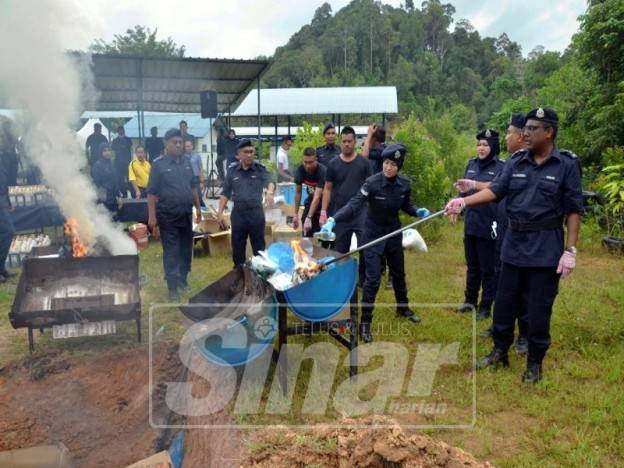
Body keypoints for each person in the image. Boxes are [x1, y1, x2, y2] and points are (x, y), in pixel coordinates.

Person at [445, 107, 583, 383]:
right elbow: (495, 190)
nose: (526, 133)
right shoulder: (517, 161)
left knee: (538, 309)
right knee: (505, 302)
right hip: (513, 245)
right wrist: (464, 202)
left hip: (545, 248)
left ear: (549, 132)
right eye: (525, 129)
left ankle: (534, 363)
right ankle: (499, 351)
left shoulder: (566, 165)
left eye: (533, 129)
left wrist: (570, 250)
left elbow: (573, 211)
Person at [320, 144, 431, 342]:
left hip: (393, 233)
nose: (389, 168)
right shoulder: (371, 183)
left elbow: (406, 205)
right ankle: (365, 324)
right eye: (386, 163)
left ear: (399, 166)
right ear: (382, 163)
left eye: (393, 165)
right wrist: (333, 219)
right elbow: (354, 204)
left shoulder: (404, 184)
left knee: (398, 272)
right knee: (372, 279)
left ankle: (403, 308)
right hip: (372, 235)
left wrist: (417, 211)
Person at [454, 129, 505, 321]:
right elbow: (464, 190)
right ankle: (470, 302)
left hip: (490, 223)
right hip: (472, 222)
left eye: (485, 145)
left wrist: (476, 185)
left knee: (488, 268)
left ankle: (485, 306)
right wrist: (458, 206)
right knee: (472, 265)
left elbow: (498, 191)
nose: (481, 148)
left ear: (493, 147)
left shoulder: (501, 167)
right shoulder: (471, 164)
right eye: (479, 145)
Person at [147, 129, 202, 301]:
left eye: (180, 142)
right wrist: (152, 217)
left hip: (185, 213)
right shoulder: (158, 165)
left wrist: (198, 208)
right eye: (174, 142)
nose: (178, 145)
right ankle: (172, 287)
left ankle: (183, 280)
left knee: (186, 249)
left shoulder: (187, 162)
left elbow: (193, 187)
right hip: (167, 216)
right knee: (171, 251)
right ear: (166, 143)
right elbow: (151, 193)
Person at [320, 126, 372, 286]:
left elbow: (371, 187)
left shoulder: (364, 163)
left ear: (355, 142)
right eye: (344, 141)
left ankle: (362, 280)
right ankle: (341, 280)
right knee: (340, 250)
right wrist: (323, 211)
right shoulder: (333, 164)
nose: (347, 144)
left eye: (350, 141)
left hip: (361, 213)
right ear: (340, 142)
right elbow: (327, 188)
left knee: (365, 247)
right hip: (340, 213)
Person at [218, 138, 275, 267]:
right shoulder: (232, 171)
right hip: (238, 214)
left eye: (251, 151)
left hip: (256, 213)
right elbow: (225, 193)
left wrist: (270, 193)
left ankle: (260, 279)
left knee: (259, 250)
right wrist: (220, 213)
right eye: (246, 152)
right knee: (237, 249)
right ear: (238, 155)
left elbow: (270, 182)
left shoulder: (260, 169)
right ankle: (239, 277)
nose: (249, 154)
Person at [292, 147, 326, 237]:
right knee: (306, 228)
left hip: (323, 204)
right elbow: (298, 193)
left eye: (310, 162)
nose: (308, 166)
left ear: (316, 160)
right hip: (310, 201)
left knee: (320, 231)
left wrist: (309, 217)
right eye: (305, 162)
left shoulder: (322, 171)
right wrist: (295, 214)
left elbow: (317, 196)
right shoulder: (301, 170)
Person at [91, 143, 123, 212]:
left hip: (113, 199)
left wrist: (119, 196)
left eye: (109, 150)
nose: (107, 152)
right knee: (105, 221)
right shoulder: (97, 165)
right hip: (103, 199)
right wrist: (102, 198)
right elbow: (97, 184)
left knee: (115, 221)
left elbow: (116, 181)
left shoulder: (112, 164)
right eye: (104, 151)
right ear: (101, 152)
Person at [0, 153, 16, 282]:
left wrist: (8, 202)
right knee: (7, 232)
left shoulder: (2, 159)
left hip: (2, 199)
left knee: (6, 232)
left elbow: (3, 183)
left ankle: (1, 268)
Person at [112, 126, 132, 198]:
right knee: (120, 180)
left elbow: (128, 147)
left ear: (124, 130)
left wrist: (121, 148)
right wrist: (120, 148)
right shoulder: (114, 141)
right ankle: (123, 194)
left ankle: (132, 194)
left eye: (122, 130)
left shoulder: (128, 139)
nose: (121, 131)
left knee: (130, 179)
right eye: (119, 130)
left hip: (127, 163)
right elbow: (114, 149)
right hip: (118, 164)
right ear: (117, 131)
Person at [185, 139, 205, 208]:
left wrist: (202, 181)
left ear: (192, 146)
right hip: (187, 179)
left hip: (196, 178)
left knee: (198, 196)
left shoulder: (197, 156)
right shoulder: (183, 157)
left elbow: (200, 168)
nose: (187, 148)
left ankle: (201, 210)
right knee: (189, 197)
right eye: (186, 146)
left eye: (189, 146)